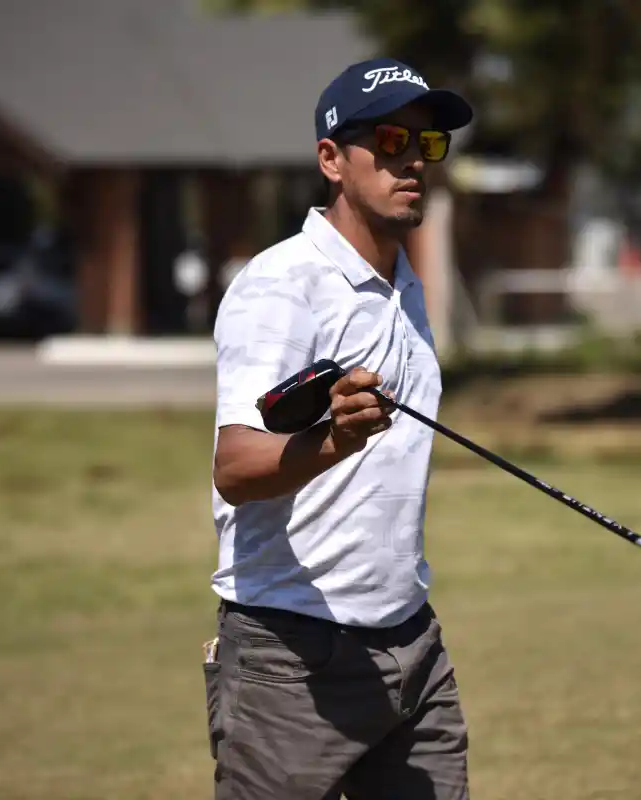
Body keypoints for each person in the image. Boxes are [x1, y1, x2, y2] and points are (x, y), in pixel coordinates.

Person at [205, 57, 475, 800]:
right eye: (390, 142)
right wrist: (334, 440)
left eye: (426, 145)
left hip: (412, 644)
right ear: (331, 159)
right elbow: (234, 465)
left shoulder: (402, 281)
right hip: (292, 659)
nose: (413, 161)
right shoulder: (281, 286)